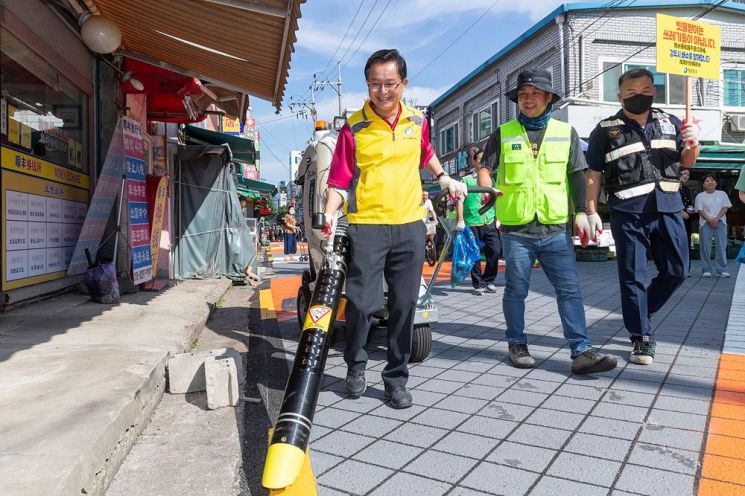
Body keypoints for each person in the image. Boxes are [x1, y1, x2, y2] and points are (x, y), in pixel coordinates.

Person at [322, 49, 467, 408]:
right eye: (375, 85)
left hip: (409, 226)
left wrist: (444, 177)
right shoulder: (354, 125)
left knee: (405, 304)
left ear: (403, 83)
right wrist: (327, 215)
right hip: (367, 226)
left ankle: (396, 378)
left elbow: (425, 152)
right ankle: (355, 365)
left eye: (390, 84)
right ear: (367, 85)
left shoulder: (417, 121)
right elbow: (339, 180)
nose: (383, 92)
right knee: (362, 302)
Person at [480, 68, 617, 375]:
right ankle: (517, 343)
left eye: (535, 94)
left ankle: (581, 350)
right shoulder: (503, 133)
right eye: (523, 95)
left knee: (570, 290)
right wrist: (487, 188)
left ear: (548, 98)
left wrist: (583, 211)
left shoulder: (565, 132)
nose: (528, 100)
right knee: (516, 290)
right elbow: (486, 167)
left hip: (555, 227)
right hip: (516, 229)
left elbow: (576, 174)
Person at [586, 68, 701, 366]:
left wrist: (693, 141)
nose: (640, 96)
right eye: (632, 92)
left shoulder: (670, 122)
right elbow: (593, 173)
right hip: (628, 210)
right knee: (632, 275)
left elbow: (687, 161)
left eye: (647, 90)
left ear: (654, 91)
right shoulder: (605, 129)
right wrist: (591, 211)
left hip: (669, 205)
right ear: (620, 95)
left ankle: (640, 310)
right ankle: (641, 336)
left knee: (678, 270)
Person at [463, 146, 501, 295]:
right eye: (481, 160)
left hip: (489, 220)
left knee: (495, 251)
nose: (484, 163)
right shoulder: (466, 180)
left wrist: (499, 219)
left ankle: (489, 279)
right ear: (474, 162)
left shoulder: (492, 180)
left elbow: (498, 200)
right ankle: (478, 283)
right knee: (475, 253)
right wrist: (460, 220)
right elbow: (459, 201)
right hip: (472, 221)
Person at [695, 173, 731, 278]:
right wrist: (710, 220)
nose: (710, 182)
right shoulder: (700, 196)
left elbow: (726, 207)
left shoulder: (722, 194)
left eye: (712, 180)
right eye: (707, 181)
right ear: (703, 185)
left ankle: (722, 269)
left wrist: (716, 219)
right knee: (705, 247)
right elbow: (700, 210)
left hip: (720, 222)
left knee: (721, 246)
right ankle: (706, 269)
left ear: (716, 183)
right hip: (705, 223)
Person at [679, 168, 694, 272]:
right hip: (674, 219)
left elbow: (688, 204)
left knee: (686, 243)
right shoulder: (671, 187)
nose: (686, 176)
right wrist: (680, 212)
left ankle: (686, 269)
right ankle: (676, 268)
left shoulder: (686, 189)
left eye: (688, 175)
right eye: (684, 173)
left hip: (686, 220)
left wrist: (690, 209)